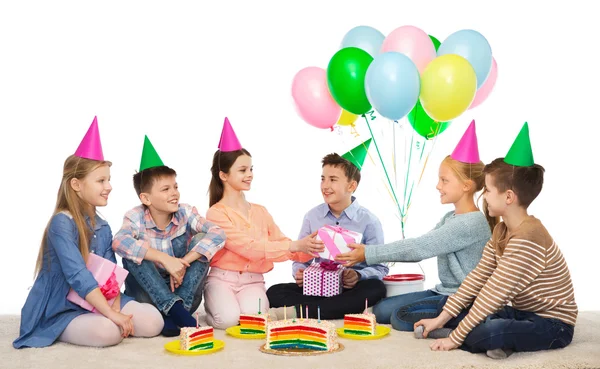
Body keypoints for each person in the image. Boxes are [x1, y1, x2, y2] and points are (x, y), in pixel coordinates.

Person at [415, 123, 577, 360]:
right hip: (522, 313)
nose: (484, 196)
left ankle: (496, 339)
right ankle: (502, 340)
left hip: (553, 323)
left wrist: (454, 338)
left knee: (490, 331)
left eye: (488, 190)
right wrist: (440, 319)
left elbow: (494, 293)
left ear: (508, 197)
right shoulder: (501, 230)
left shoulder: (529, 237)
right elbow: (477, 278)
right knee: (461, 310)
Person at [14, 117, 163, 349]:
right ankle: (58, 328)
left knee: (154, 322)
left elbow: (110, 275)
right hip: (62, 306)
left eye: (109, 180)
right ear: (76, 185)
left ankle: (101, 318)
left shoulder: (102, 226)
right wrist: (112, 316)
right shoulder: (61, 223)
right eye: (101, 180)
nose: (109, 186)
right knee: (108, 332)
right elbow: (78, 277)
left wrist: (114, 306)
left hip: (99, 298)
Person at [336, 121, 493, 332]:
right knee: (382, 311)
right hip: (443, 292)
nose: (438, 186)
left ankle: (464, 328)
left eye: (444, 180)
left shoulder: (470, 223)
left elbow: (419, 248)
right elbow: (422, 243)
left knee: (399, 318)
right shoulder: (451, 217)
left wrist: (369, 253)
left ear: (466, 186)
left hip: (464, 300)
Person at [203, 118, 321, 329]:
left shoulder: (260, 211)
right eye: (242, 170)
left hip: (253, 281)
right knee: (228, 321)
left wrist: (310, 248)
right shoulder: (216, 214)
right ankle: (211, 314)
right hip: (222, 280)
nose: (250, 175)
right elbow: (248, 247)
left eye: (251, 169)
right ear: (223, 175)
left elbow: (282, 244)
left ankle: (237, 309)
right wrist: (294, 246)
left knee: (255, 322)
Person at [112, 135, 225, 336]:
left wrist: (182, 263)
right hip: (147, 297)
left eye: (175, 187)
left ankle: (176, 313)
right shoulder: (135, 216)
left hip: (185, 294)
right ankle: (176, 313)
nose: (174, 193)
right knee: (134, 251)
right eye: (166, 189)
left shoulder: (186, 212)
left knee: (201, 240)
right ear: (145, 198)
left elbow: (218, 234)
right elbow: (119, 242)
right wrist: (165, 259)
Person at [267, 139, 388, 320]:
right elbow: (301, 257)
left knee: (376, 289)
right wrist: (299, 272)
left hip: (351, 288)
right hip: (316, 288)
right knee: (274, 292)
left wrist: (358, 275)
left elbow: (381, 267)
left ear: (351, 186)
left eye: (333, 180)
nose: (325, 186)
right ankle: (340, 309)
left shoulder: (369, 221)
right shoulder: (312, 217)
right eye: (323, 179)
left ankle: (301, 311)